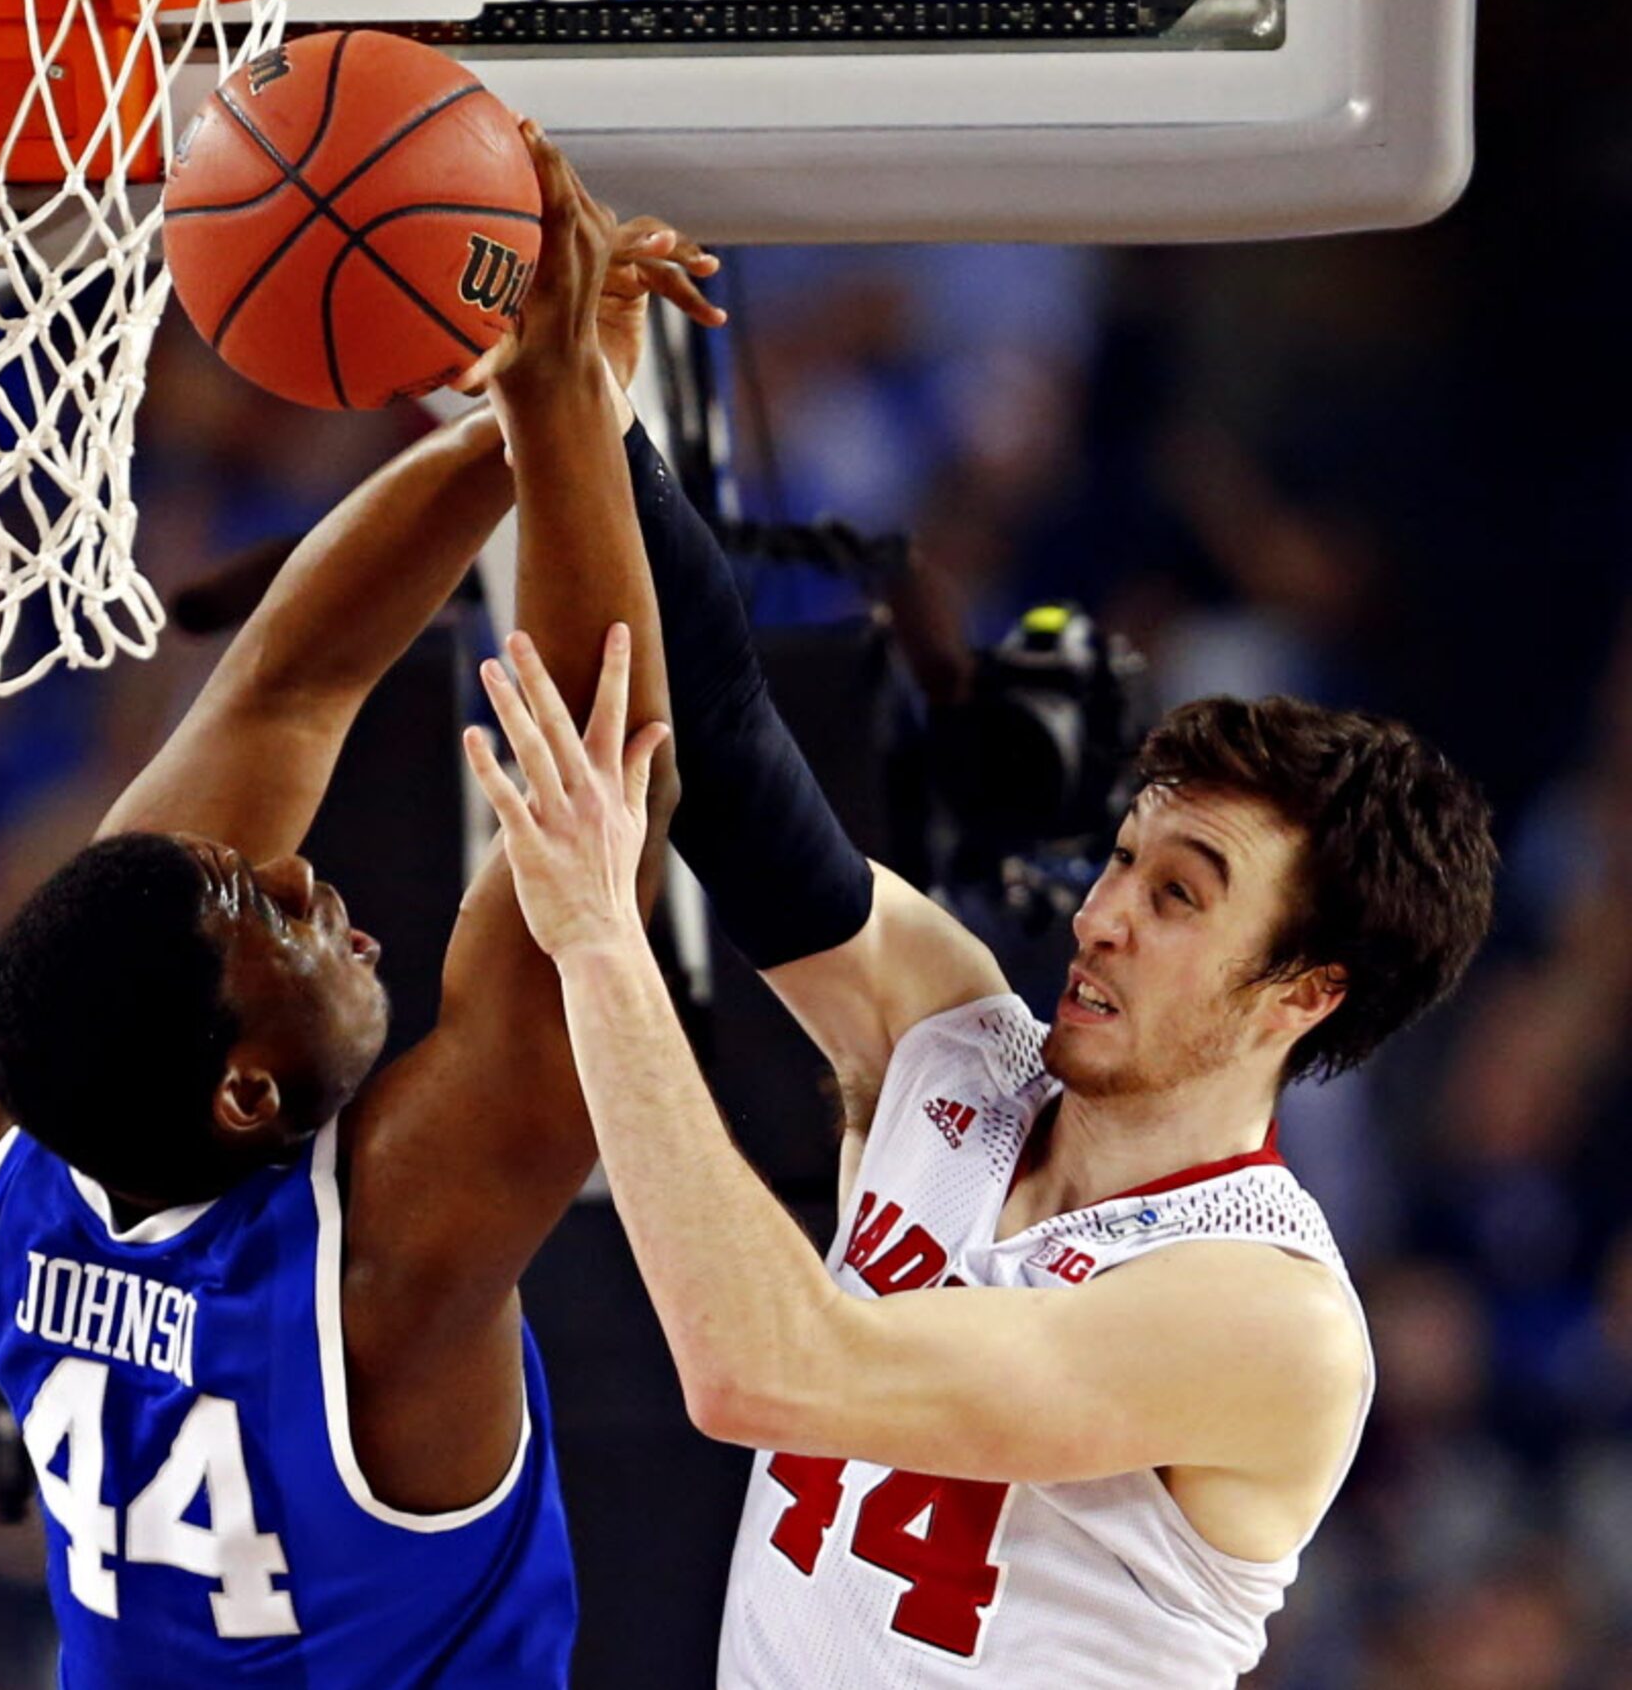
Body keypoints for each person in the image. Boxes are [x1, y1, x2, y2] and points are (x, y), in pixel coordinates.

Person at [0, 126, 716, 1688]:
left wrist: (522, 422)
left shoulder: (38, 1141)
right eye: (272, 918)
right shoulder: (369, 1268)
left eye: (261, 886)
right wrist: (562, 398)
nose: (308, 876)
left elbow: (290, 686)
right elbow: (594, 791)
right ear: (240, 1085)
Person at [467, 578, 1497, 1681]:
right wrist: (582, 416)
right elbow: (726, 738)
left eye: (1178, 899)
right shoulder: (956, 1038)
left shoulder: (1271, 1317)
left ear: (1303, 994)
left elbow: (763, 1370)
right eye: (1121, 859)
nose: (1099, 921)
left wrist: (600, 940)